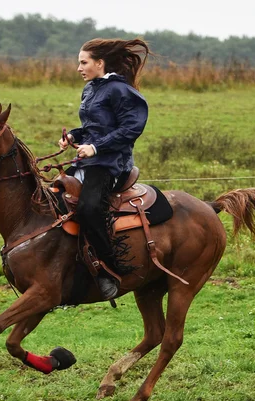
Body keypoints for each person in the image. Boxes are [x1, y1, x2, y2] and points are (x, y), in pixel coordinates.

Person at [58, 38, 150, 300]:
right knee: (56, 199)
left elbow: (131, 129)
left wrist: (96, 148)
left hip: (112, 163)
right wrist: (74, 137)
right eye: (79, 62)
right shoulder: (90, 89)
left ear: (100, 63)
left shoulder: (121, 90)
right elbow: (91, 127)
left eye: (83, 62)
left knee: (88, 207)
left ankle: (109, 270)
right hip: (87, 160)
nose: (79, 68)